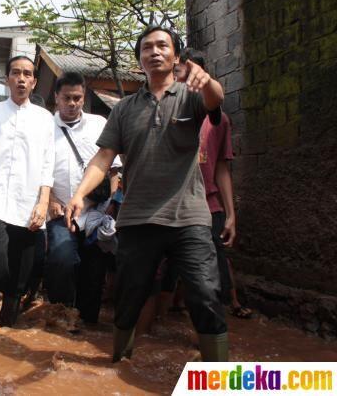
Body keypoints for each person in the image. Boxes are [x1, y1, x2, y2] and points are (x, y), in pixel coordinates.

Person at [66, 25, 228, 362]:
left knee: (205, 293)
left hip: (189, 216)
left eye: (162, 46)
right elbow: (104, 156)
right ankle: (119, 363)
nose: (154, 52)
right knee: (129, 296)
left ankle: (219, 374)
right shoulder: (125, 109)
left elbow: (216, 99)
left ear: (175, 55)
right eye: (147, 48)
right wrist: (80, 193)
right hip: (138, 217)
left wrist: (205, 78)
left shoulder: (192, 95)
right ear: (139, 59)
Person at [0, 56, 55, 326]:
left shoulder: (44, 118)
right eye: (16, 73)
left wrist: (43, 203)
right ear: (7, 79)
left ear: (34, 82)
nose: (21, 78)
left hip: (28, 200)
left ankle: (7, 326)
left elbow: (47, 164)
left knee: (21, 265)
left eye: (27, 74)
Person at [176, 48, 250, 319]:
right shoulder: (168, 107)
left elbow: (222, 168)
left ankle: (227, 307)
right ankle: (174, 306)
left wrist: (231, 214)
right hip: (175, 204)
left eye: (190, 71)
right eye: (181, 72)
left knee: (216, 257)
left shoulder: (219, 119)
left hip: (209, 203)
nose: (186, 78)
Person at [44, 72, 120, 324]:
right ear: (56, 97)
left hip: (96, 214)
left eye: (77, 98)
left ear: (84, 97)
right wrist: (51, 199)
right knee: (61, 259)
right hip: (59, 212)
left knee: (94, 270)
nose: (72, 103)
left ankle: (87, 322)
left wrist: (110, 207)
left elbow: (114, 169)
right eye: (67, 98)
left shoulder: (99, 124)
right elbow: (35, 171)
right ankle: (60, 315)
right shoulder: (44, 128)